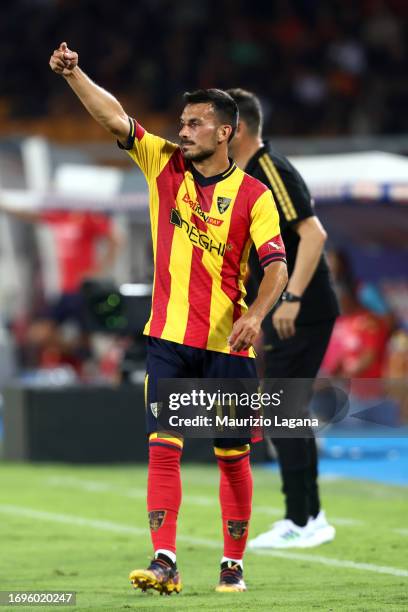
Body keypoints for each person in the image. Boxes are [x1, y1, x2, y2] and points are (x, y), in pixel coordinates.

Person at [49, 43, 288, 594]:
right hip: (167, 341)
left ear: (224, 132)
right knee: (164, 447)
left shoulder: (254, 196)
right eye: (182, 122)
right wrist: (75, 74)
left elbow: (276, 265)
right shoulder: (163, 164)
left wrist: (256, 314)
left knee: (232, 457)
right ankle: (165, 560)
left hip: (229, 344)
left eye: (196, 124)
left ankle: (233, 564)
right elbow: (115, 117)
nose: (183, 131)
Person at [227, 88, 339, 549]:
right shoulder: (246, 174)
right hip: (286, 312)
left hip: (302, 312)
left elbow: (313, 234)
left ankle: (304, 519)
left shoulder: (271, 169)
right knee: (285, 412)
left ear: (236, 129)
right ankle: (307, 516)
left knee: (282, 411)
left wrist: (291, 297)